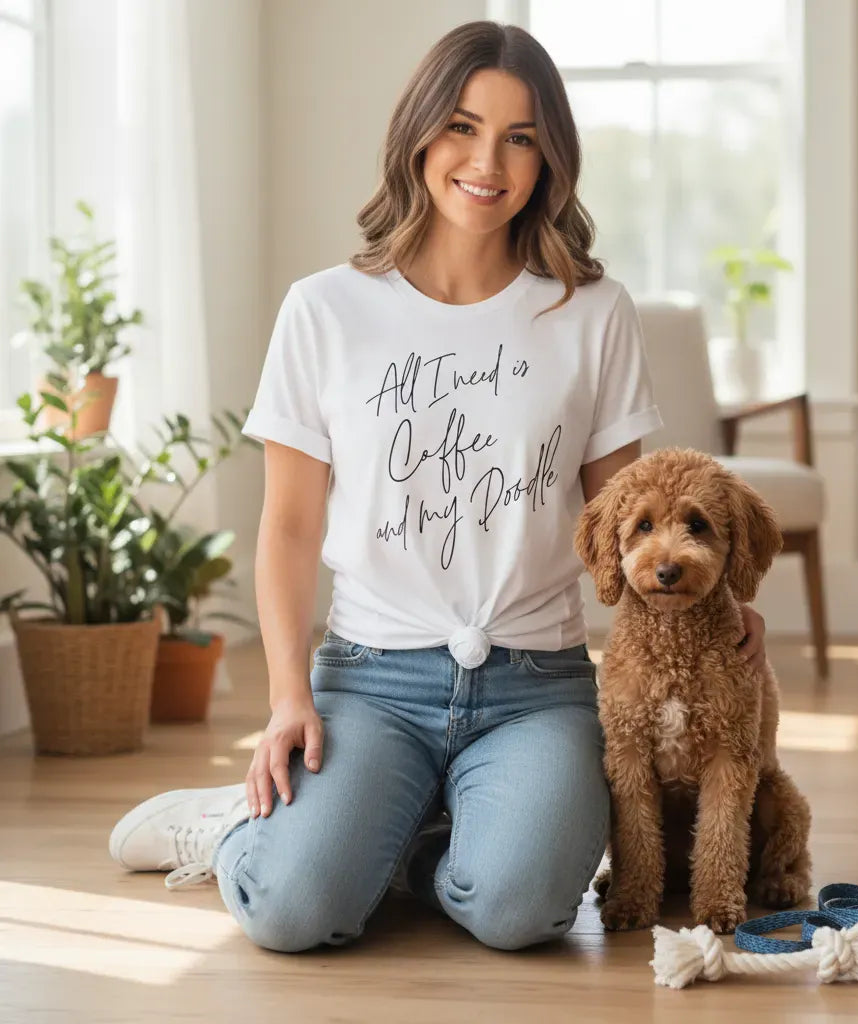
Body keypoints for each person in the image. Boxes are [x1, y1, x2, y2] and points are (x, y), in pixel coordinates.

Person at [108, 20, 767, 953]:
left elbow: (631, 518)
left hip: (536, 686)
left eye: (520, 137)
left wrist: (722, 603)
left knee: (520, 910)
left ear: (549, 158)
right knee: (292, 911)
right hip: (372, 678)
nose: (487, 162)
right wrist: (289, 696)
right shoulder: (325, 309)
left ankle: (408, 847)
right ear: (418, 133)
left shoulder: (593, 311)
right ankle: (238, 831)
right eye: (462, 126)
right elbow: (290, 528)